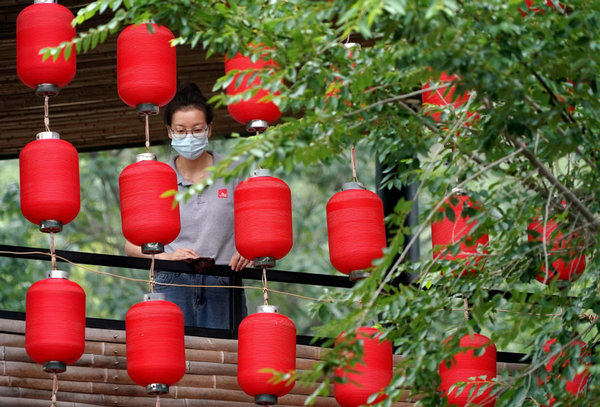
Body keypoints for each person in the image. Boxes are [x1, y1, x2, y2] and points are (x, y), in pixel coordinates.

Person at [125, 82, 250, 328]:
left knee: (225, 359)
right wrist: (166, 256)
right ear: (170, 131)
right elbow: (130, 245)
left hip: (224, 280)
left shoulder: (235, 171)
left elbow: (259, 225)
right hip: (171, 281)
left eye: (197, 129)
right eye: (181, 131)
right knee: (170, 356)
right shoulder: (155, 175)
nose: (189, 136)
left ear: (209, 129)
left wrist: (249, 249)